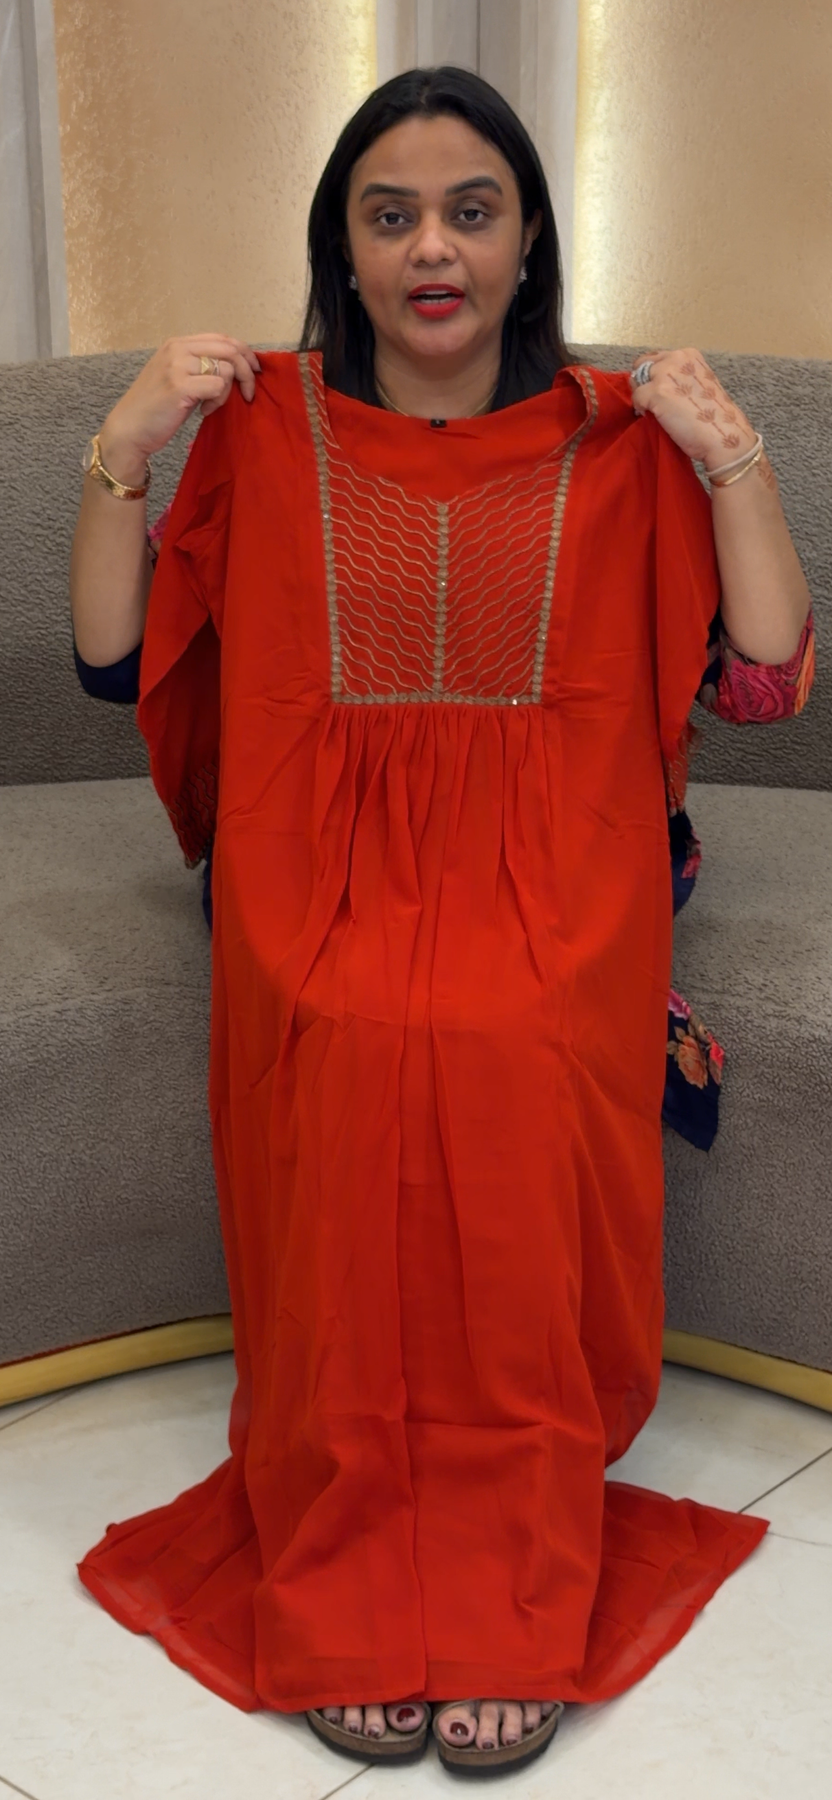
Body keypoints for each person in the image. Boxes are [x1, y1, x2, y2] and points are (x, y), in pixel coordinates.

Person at [70, 67, 813, 1778]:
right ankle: (347, 1564)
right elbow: (117, 661)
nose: (431, 251)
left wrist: (730, 457)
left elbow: (767, 679)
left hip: (563, 882)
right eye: (389, 214)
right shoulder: (265, 433)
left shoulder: (620, 444)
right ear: (340, 246)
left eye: (471, 213)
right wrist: (128, 441)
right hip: (309, 881)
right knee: (348, 1050)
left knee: (503, 1054)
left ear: (528, 239)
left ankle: (504, 1573)